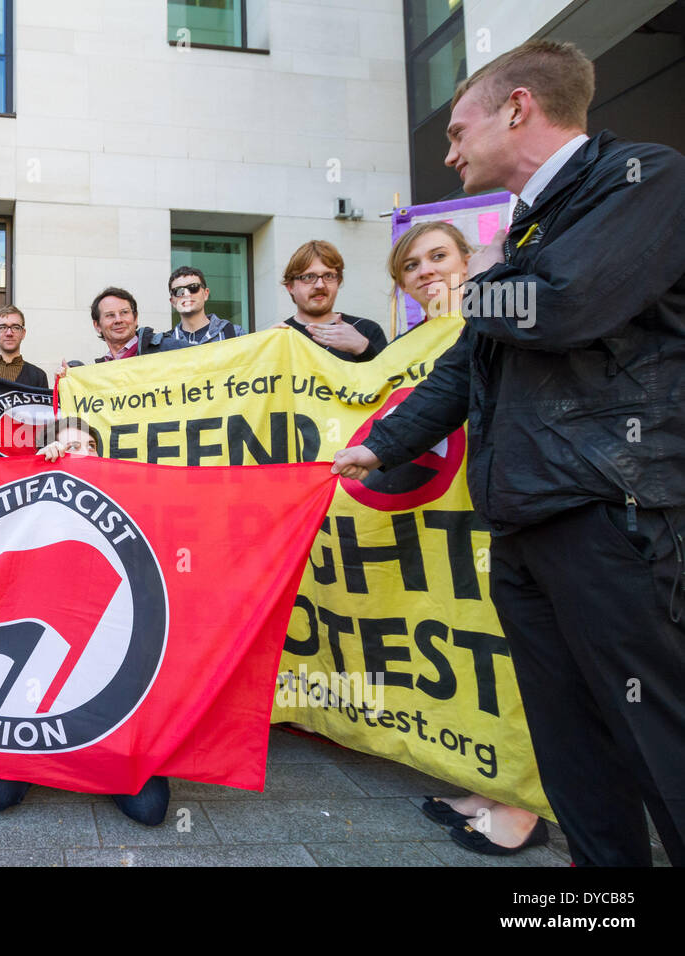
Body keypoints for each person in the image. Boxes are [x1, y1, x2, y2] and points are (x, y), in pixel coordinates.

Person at [332, 40, 685, 867]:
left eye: (459, 130)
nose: (448, 151)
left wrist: (483, 275)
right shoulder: (529, 224)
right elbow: (469, 362)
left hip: (608, 515)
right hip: (524, 520)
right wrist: (381, 446)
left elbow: (559, 306)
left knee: (656, 732)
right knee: (571, 744)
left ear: (518, 107)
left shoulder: (645, 178)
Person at [388, 221, 548, 855]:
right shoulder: (404, 346)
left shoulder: (496, 320)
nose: (426, 271)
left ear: (468, 261)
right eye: (411, 264)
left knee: (516, 656)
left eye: (439, 256)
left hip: (497, 511)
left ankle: (525, 804)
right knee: (473, 648)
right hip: (442, 525)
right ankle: (491, 783)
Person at [0, 416, 171, 826]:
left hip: (108, 687)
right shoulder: (31, 511)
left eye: (90, 447)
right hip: (37, 689)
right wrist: (38, 472)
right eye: (71, 446)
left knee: (151, 809)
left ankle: (85, 755)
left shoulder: (128, 505)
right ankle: (51, 754)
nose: (82, 454)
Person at [277, 240, 386, 361]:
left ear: (338, 281)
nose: (320, 285)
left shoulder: (366, 330)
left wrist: (364, 349)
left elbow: (388, 378)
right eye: (308, 277)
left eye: (328, 276)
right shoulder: (278, 337)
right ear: (290, 287)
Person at [139, 267, 243, 354]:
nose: (187, 294)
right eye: (179, 291)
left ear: (206, 294)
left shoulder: (234, 334)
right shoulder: (164, 344)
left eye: (193, 288)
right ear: (173, 302)